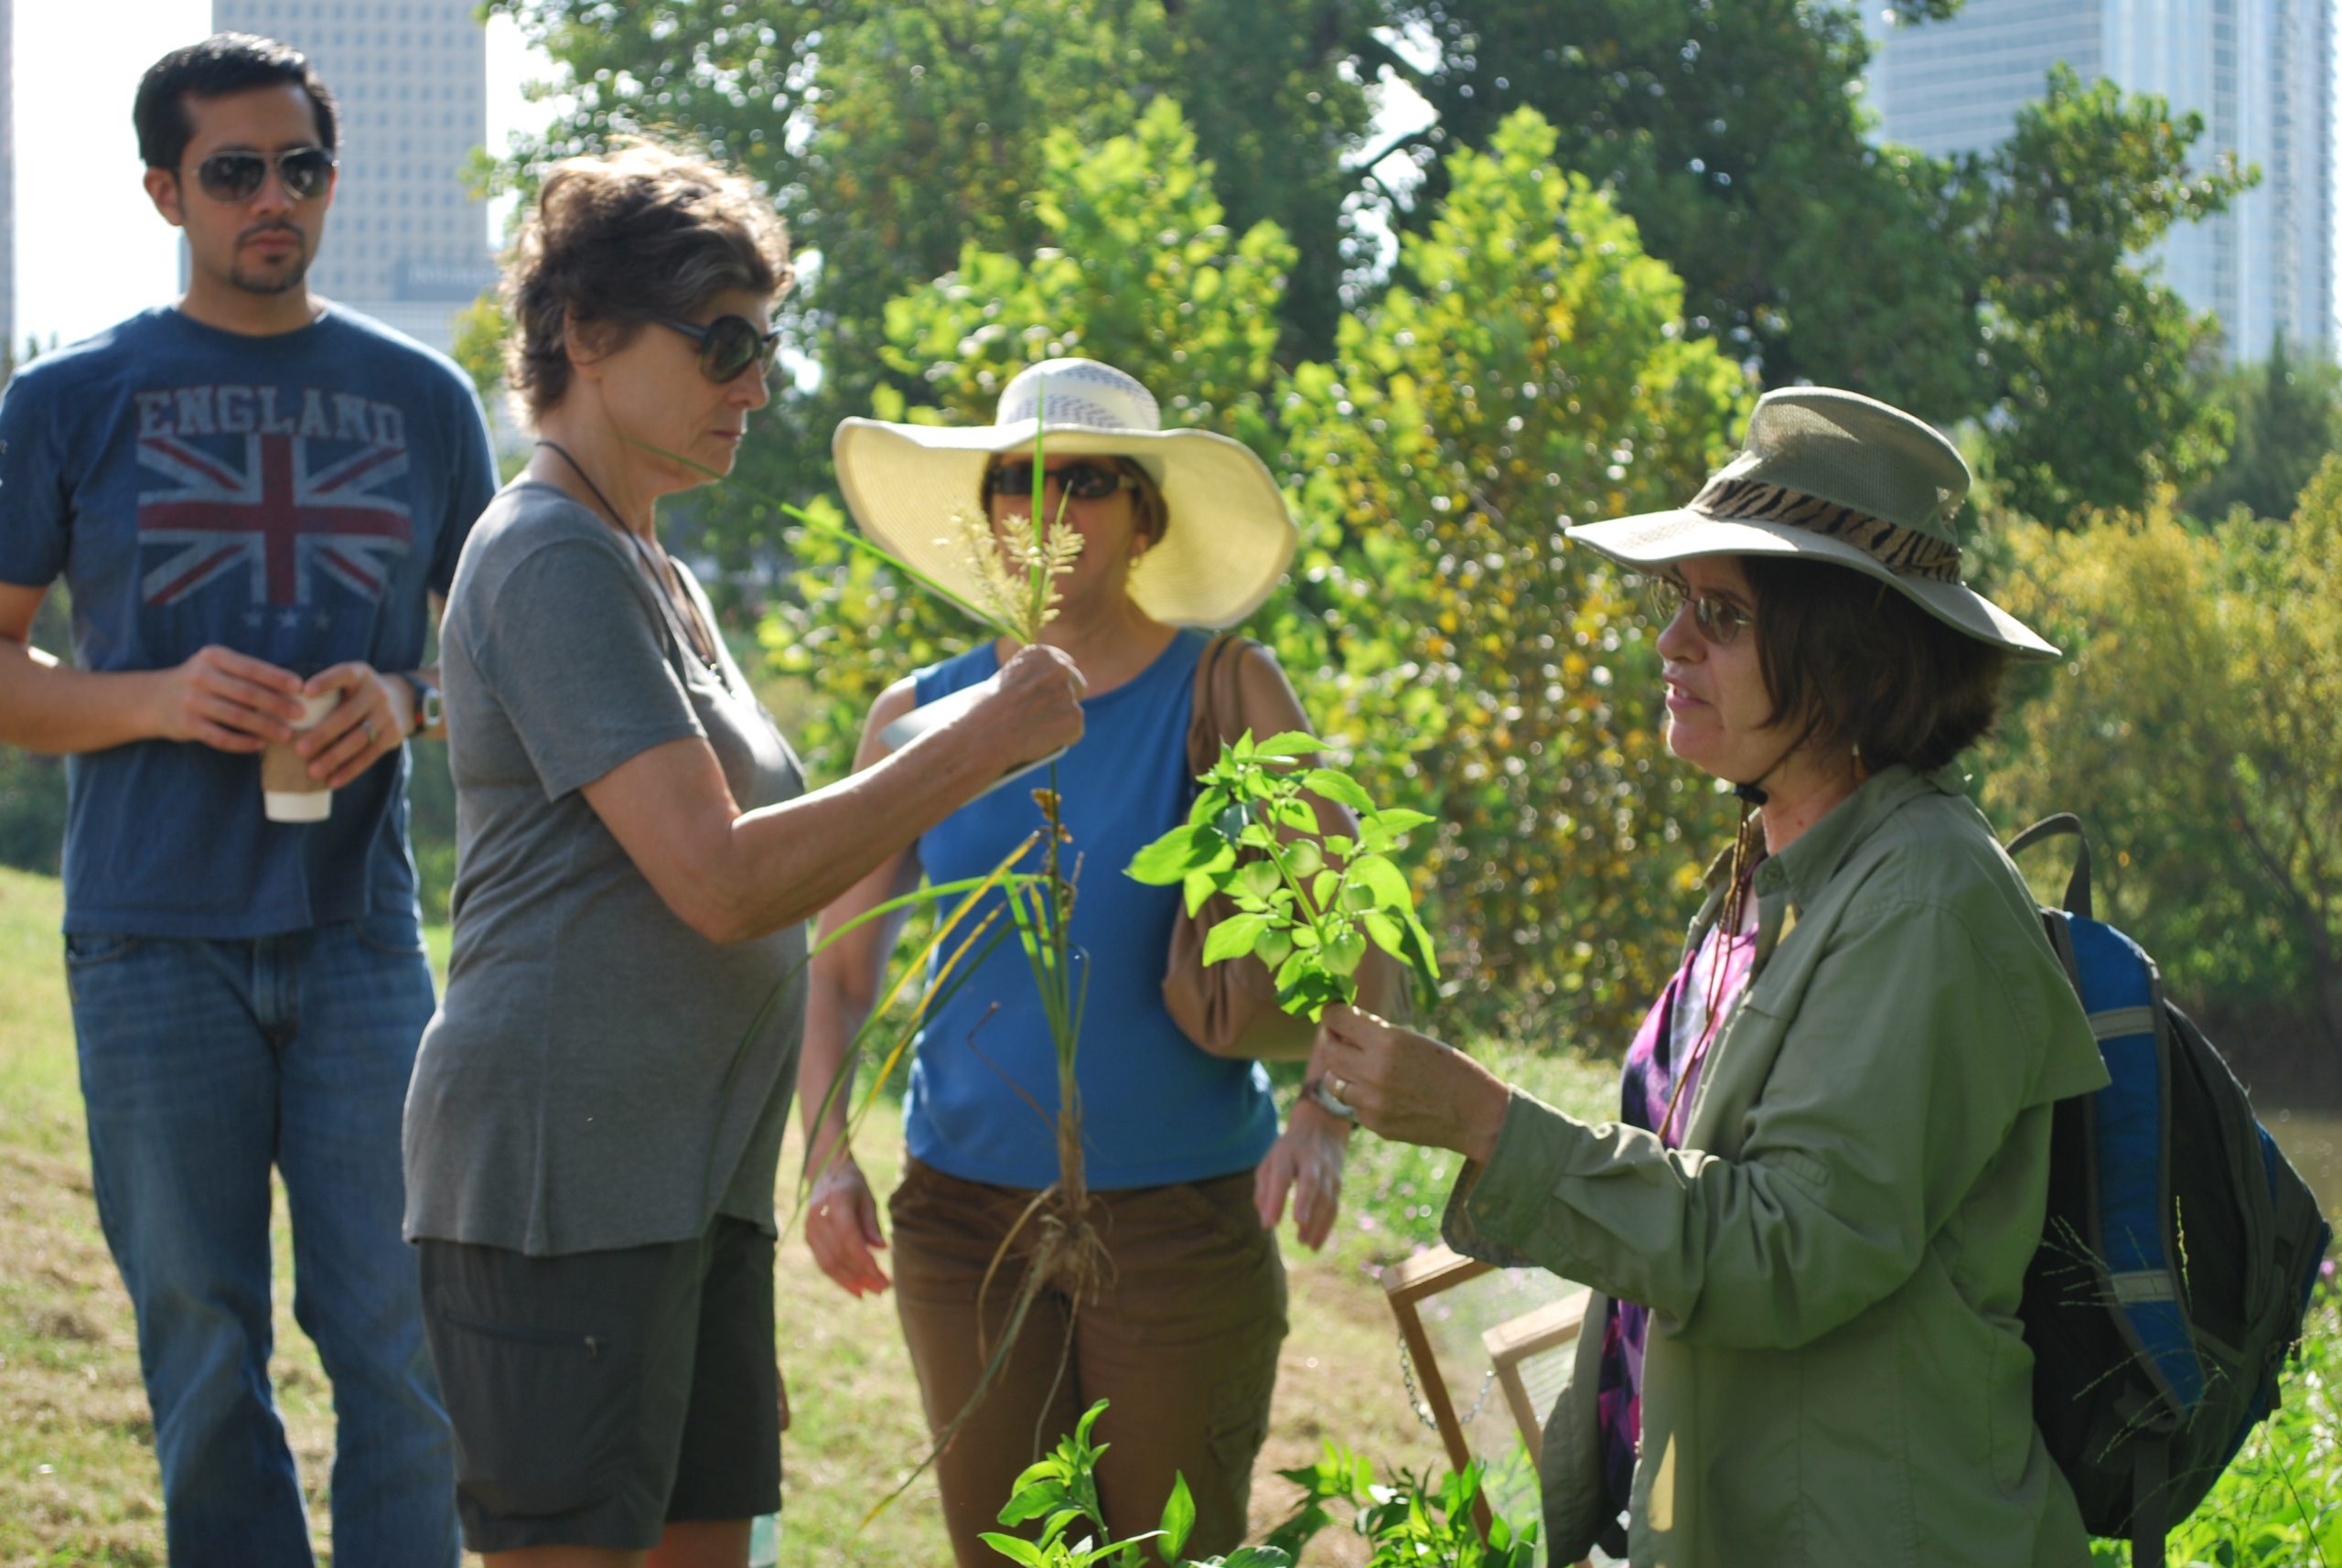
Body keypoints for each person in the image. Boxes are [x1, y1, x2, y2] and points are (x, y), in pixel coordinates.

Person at [399, 145, 1084, 1567]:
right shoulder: (545, 554)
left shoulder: (657, 566)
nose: (756, 384)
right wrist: (974, 749)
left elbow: (782, 855)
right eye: (721, 341)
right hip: (558, 1190)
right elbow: (716, 879)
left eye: (763, 343)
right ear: (585, 334)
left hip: (683, 1189)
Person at [1318, 387, 2113, 1567]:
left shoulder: (1930, 900)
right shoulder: (1771, 871)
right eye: (1677, 605)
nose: (1670, 646)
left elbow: (1793, 1246)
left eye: (1724, 618)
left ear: (1850, 661)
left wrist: (1487, 1124)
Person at [0, 35, 496, 1566]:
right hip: (150, 940)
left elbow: (511, 668)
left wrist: (406, 698)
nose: (273, 198)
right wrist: (150, 698)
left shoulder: (426, 399)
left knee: (402, 1347)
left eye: (302, 168)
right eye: (234, 172)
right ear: (165, 188)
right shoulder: (68, 398)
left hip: (361, 938)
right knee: (203, 1350)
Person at [806, 358, 1390, 1564]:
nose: (1048, 511)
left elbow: (1353, 933)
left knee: (1167, 1553)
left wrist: (1325, 1113)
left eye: (1086, 482)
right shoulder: (917, 715)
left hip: (1179, 1222)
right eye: (1018, 482)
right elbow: (839, 970)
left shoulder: (1222, 690)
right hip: (962, 1221)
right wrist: (823, 1162)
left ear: (1143, 516)